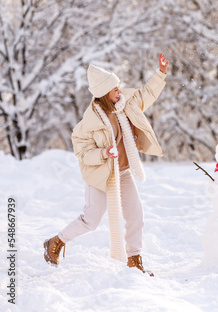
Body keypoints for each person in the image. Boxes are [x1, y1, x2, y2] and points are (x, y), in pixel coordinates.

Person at [43, 54, 169, 276]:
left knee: (135, 215)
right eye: (115, 90)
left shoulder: (126, 104)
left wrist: (161, 73)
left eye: (119, 88)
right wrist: (103, 152)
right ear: (103, 94)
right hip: (101, 175)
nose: (120, 92)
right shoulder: (88, 123)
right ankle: (56, 241)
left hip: (123, 171)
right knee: (91, 220)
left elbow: (147, 94)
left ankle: (134, 260)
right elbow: (82, 153)